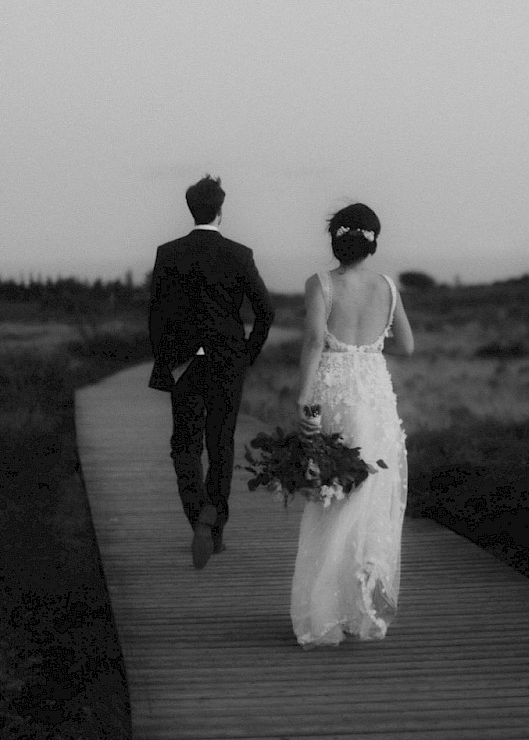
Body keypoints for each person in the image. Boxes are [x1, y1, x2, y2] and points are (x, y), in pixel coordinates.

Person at [290, 202, 413, 646]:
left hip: (335, 390)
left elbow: (314, 339)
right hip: (374, 391)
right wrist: (371, 350)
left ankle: (326, 611)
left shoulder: (320, 284)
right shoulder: (387, 286)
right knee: (373, 495)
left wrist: (304, 397)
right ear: (373, 242)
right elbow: (408, 345)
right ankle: (363, 607)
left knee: (334, 495)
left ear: (335, 241)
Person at [148, 174, 274, 568]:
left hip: (185, 363)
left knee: (184, 445)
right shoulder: (240, 254)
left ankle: (198, 513)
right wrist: (247, 353)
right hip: (226, 361)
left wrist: (165, 359)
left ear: (191, 209)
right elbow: (266, 312)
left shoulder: (168, 253)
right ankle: (215, 528)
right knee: (221, 444)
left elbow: (156, 315)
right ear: (221, 210)